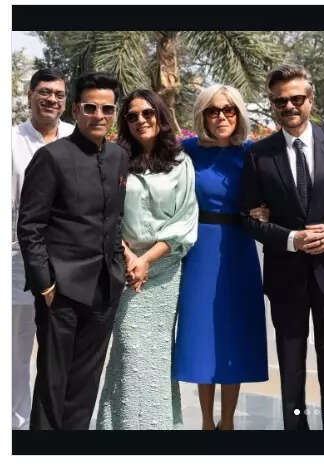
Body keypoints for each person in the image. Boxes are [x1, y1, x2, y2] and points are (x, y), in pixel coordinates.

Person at [241, 64, 324, 430]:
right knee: (291, 369)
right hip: (285, 276)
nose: (289, 106)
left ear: (310, 100)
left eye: (296, 98)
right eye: (280, 101)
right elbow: (247, 218)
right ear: (272, 105)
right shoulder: (258, 154)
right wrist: (290, 239)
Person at [17, 72, 128, 430]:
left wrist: (117, 271)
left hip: (104, 289)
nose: (99, 115)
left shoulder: (118, 157)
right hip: (61, 292)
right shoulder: (51, 157)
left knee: (85, 385)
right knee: (53, 384)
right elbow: (30, 225)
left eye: (107, 109)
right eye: (91, 108)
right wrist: (45, 284)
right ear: (77, 110)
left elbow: (115, 219)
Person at [96, 89, 198, 430]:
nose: (140, 120)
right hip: (125, 267)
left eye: (147, 113)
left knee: (155, 355)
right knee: (128, 349)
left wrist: (147, 260)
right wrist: (130, 258)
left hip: (164, 269)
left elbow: (185, 220)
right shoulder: (116, 160)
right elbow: (107, 214)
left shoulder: (182, 163)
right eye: (132, 116)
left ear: (160, 116)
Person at [173, 85, 269, 431]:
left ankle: (228, 422)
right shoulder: (187, 151)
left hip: (239, 249)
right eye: (213, 111)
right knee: (202, 332)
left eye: (229, 110)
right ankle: (205, 422)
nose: (221, 117)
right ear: (202, 115)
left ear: (239, 114)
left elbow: (273, 192)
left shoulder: (252, 153)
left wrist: (267, 210)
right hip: (199, 249)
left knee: (234, 332)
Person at [11, 68, 74, 430]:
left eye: (59, 94)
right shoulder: (11, 141)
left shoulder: (75, 137)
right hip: (17, 264)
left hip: (66, 266)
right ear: (30, 95)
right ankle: (14, 431)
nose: (52, 99)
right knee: (14, 356)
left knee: (58, 356)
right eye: (45, 92)